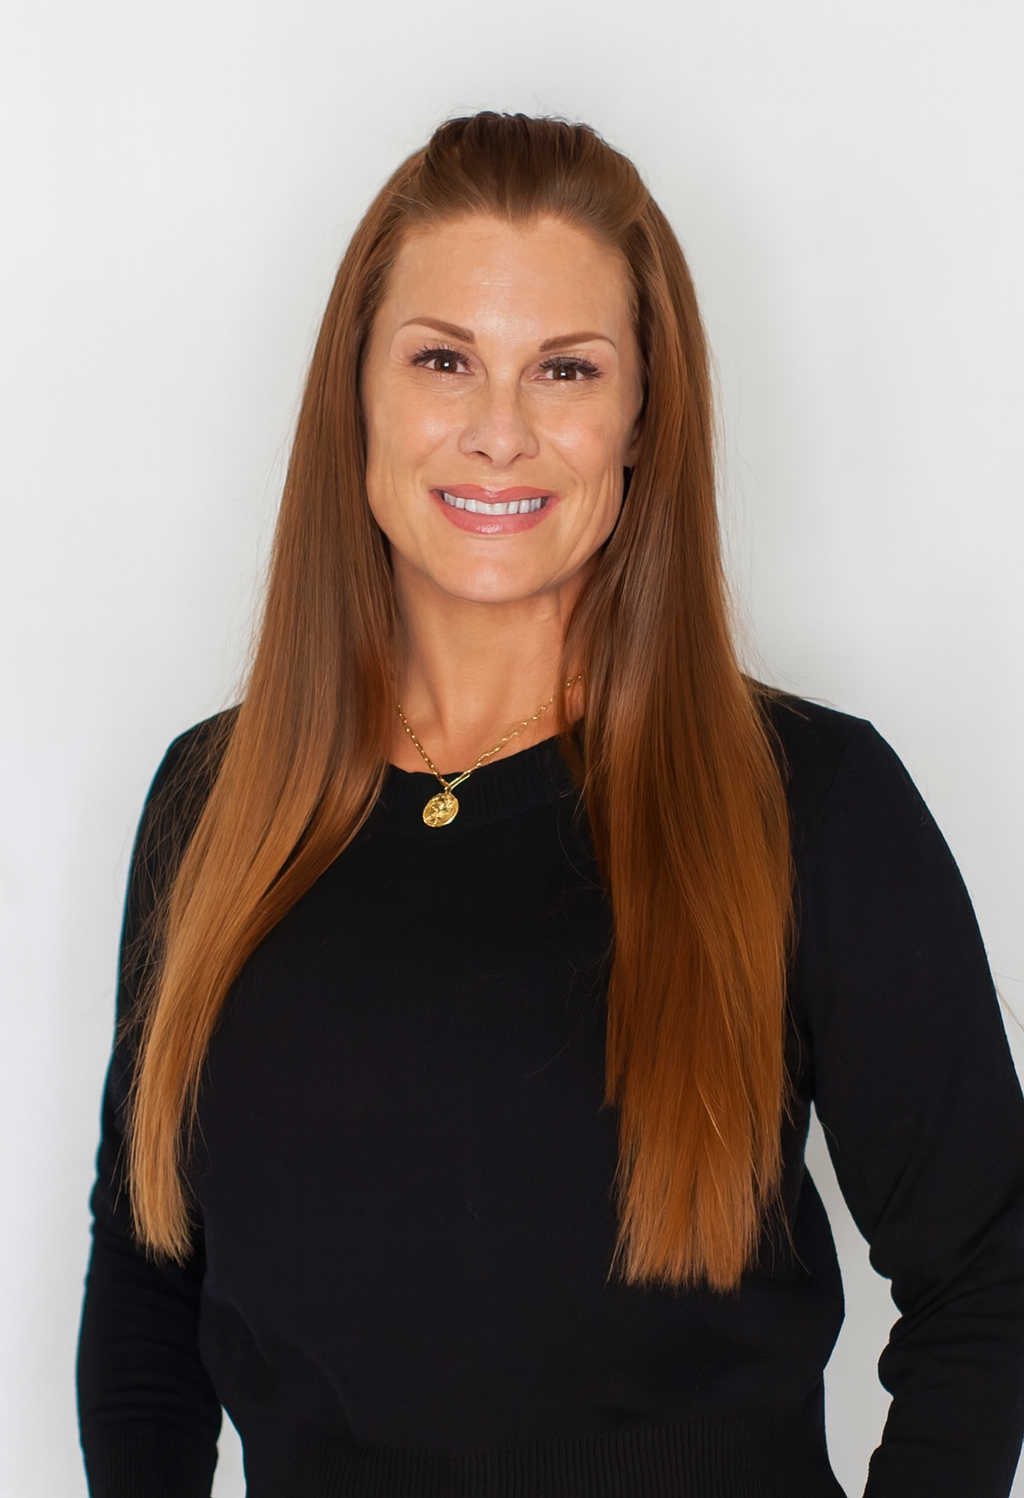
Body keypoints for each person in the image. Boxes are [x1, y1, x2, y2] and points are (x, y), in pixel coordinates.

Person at [76, 112, 1024, 1498]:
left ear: (643, 418)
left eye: (566, 369)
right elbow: (149, 1282)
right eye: (445, 359)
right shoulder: (213, 805)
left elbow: (988, 1276)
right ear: (361, 392)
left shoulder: (809, 802)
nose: (500, 431)